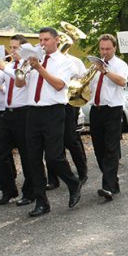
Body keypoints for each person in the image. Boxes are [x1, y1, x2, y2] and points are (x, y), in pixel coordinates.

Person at [16, 27, 82, 217]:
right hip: (33, 112)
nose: (42, 43)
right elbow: (21, 84)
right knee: (33, 158)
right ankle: (41, 202)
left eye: (46, 40)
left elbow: (59, 84)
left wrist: (39, 68)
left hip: (53, 111)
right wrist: (23, 69)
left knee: (53, 157)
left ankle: (73, 181)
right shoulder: (34, 61)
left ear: (57, 40)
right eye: (40, 40)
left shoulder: (64, 62)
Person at [0, 35, 34, 206]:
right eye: (11, 47)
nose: (12, 51)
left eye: (15, 48)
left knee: (27, 155)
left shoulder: (29, 65)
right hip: (7, 113)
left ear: (23, 49)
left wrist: (4, 67)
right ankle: (9, 190)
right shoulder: (8, 66)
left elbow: (21, 81)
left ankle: (29, 193)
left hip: (24, 113)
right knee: (0, 152)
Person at [88, 34, 128, 201]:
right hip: (95, 110)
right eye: (102, 49)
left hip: (113, 109)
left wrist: (106, 71)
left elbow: (122, 81)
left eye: (108, 49)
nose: (104, 52)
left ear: (114, 48)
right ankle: (113, 182)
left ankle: (107, 187)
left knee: (111, 149)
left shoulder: (120, 64)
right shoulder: (94, 65)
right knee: (99, 150)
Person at [46, 44, 88, 190]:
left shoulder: (72, 61)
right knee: (51, 142)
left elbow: (82, 78)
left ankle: (82, 172)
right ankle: (53, 179)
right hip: (52, 104)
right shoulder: (44, 61)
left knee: (71, 139)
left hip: (69, 103)